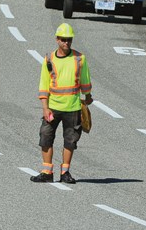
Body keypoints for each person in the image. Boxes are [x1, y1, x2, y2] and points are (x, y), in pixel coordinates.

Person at [30, 23, 93, 184]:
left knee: (70, 141)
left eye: (69, 40)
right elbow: (44, 86)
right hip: (52, 108)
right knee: (45, 137)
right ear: (57, 40)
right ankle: (47, 171)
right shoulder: (49, 59)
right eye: (64, 40)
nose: (67, 43)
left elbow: (85, 83)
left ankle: (65, 172)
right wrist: (45, 108)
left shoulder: (79, 59)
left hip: (73, 108)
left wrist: (88, 97)